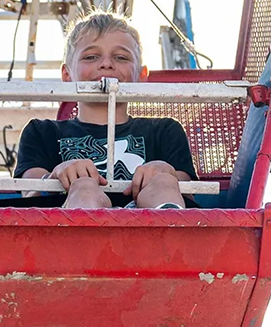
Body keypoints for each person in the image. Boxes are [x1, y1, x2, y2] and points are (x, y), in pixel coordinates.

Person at [15, 11, 196, 209]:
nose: (106, 64)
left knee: (162, 182)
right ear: (67, 74)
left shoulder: (165, 131)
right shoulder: (41, 132)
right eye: (91, 56)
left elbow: (190, 195)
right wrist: (54, 177)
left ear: (141, 75)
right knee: (84, 188)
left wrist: (165, 173)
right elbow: (29, 195)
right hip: (69, 222)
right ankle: (88, 226)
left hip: (145, 224)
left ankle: (168, 222)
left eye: (121, 57)